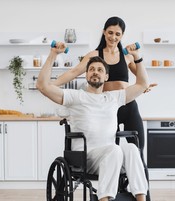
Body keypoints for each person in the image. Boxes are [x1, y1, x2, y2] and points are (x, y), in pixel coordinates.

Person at [36, 41, 156, 201]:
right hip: (85, 157)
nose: (95, 72)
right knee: (115, 150)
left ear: (106, 76)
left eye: (100, 70)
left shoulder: (114, 97)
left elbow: (142, 84)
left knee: (131, 148)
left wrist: (138, 57)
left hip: (109, 156)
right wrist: (53, 54)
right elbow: (43, 86)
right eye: (92, 69)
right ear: (86, 75)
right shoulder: (75, 96)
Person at [53, 16, 156, 160]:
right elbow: (73, 72)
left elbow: (141, 76)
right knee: (111, 151)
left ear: (122, 36)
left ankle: (141, 181)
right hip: (106, 108)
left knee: (138, 150)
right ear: (104, 32)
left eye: (117, 34)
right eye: (110, 32)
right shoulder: (95, 55)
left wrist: (143, 86)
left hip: (127, 106)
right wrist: (50, 86)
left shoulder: (126, 57)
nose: (113, 37)